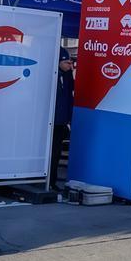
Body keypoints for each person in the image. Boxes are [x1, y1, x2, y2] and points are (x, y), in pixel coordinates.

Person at [50, 48, 75, 189]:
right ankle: (49, 180)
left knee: (56, 152)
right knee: (52, 152)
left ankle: (52, 181)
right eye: (66, 62)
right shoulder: (54, 77)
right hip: (53, 121)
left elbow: (68, 97)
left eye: (71, 63)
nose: (69, 65)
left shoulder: (66, 76)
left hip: (61, 122)